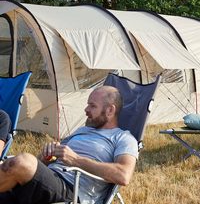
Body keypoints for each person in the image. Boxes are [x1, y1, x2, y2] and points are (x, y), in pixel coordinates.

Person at [0, 86, 139, 203]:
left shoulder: (124, 138)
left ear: (110, 110)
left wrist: (75, 160)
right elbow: (49, 160)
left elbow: (123, 175)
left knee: (23, 162)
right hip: (49, 180)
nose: (86, 110)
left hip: (72, 192)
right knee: (17, 168)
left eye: (92, 106)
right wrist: (44, 158)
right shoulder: (82, 131)